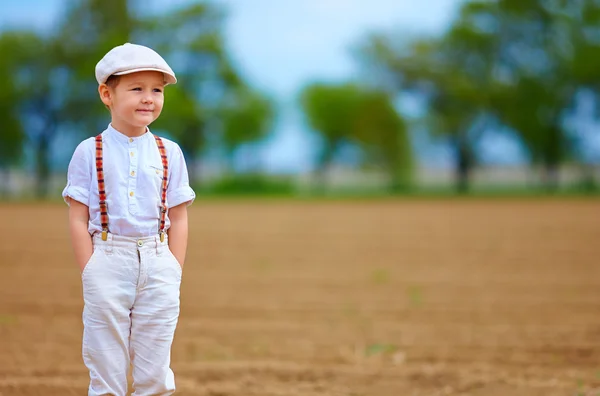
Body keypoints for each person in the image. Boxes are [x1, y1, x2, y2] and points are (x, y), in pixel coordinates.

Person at [62, 42, 195, 396]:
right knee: (106, 366)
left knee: (155, 370)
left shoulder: (170, 152)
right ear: (107, 94)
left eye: (156, 90)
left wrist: (173, 268)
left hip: (158, 260)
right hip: (107, 258)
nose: (148, 98)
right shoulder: (89, 151)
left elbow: (179, 217)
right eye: (137, 89)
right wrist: (90, 269)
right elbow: (78, 217)